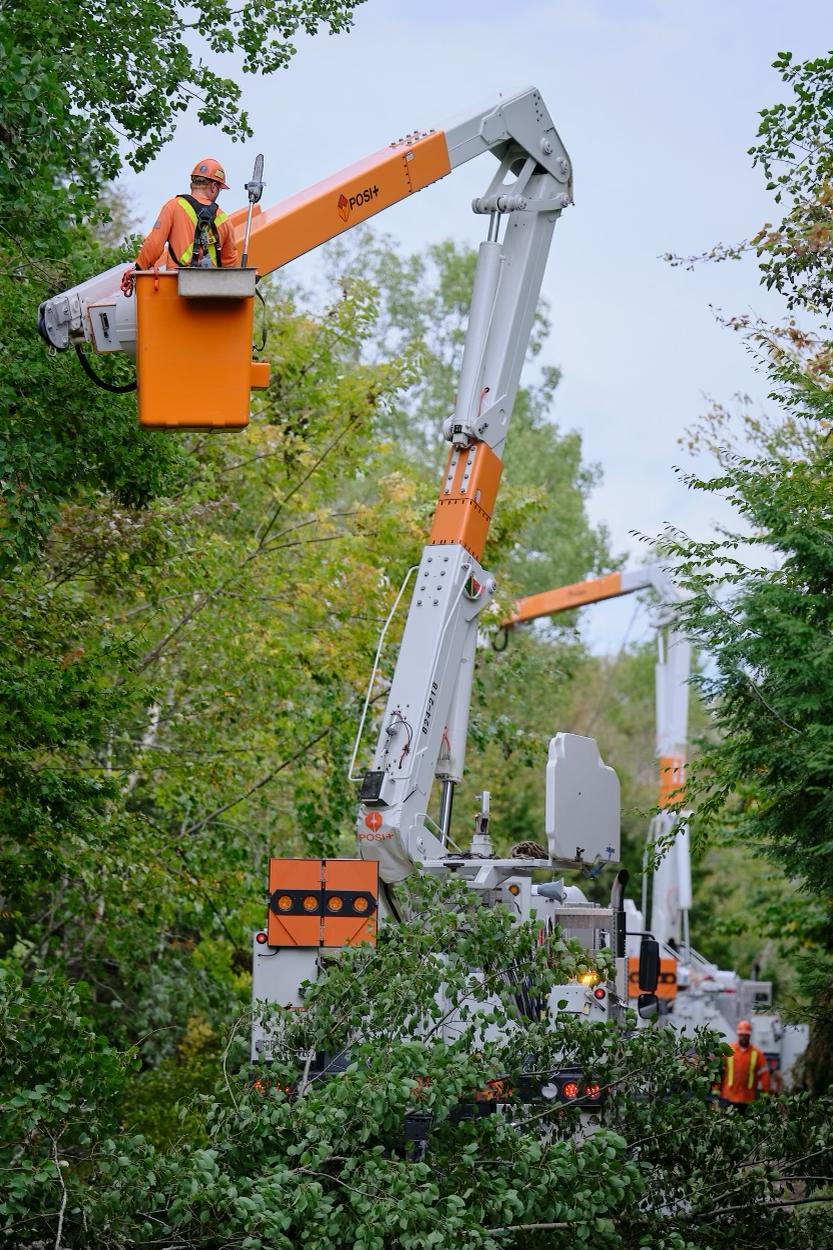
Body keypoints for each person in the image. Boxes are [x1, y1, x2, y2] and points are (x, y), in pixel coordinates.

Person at [120, 158, 238, 295]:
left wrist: (137, 269)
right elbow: (229, 263)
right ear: (213, 186)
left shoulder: (174, 207)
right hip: (212, 295)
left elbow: (154, 244)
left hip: (177, 290)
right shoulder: (223, 219)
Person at [718, 1019, 770, 1110]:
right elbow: (719, 1071)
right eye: (742, 1035)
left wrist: (765, 1091)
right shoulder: (729, 1050)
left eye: (746, 1035)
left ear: (749, 1035)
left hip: (748, 1097)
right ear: (738, 1034)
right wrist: (715, 1089)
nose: (744, 1037)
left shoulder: (756, 1053)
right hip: (728, 1096)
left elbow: (764, 1073)